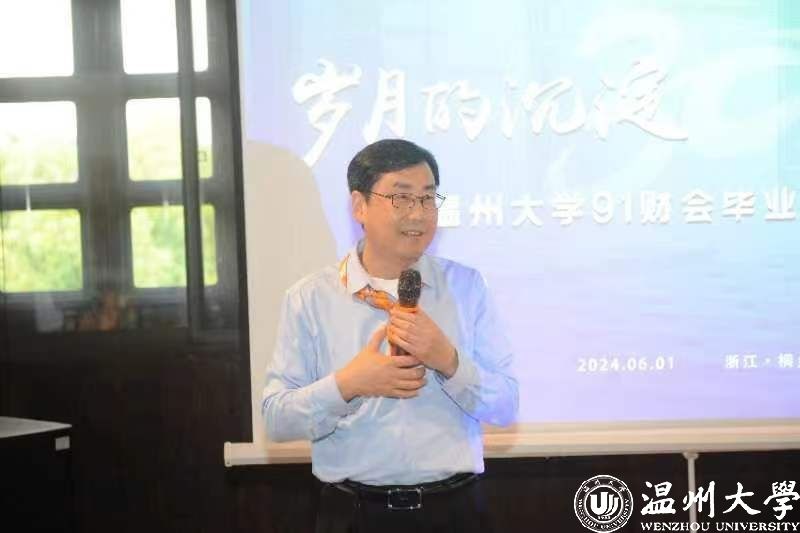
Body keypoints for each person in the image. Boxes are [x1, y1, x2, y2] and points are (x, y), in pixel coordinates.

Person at [262, 139, 518, 533]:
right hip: (353, 514)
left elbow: (505, 406)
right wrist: (347, 385)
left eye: (428, 198)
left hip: (454, 511)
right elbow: (276, 418)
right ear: (359, 205)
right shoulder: (310, 298)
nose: (418, 213)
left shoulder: (467, 288)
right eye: (401, 198)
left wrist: (448, 361)